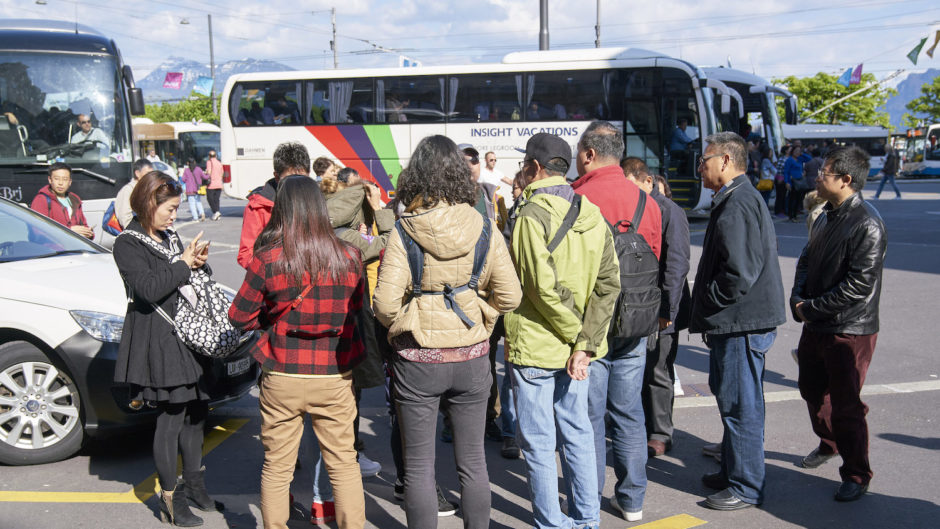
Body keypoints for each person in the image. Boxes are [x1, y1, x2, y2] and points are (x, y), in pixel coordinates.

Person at [372, 134, 522, 529]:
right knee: (473, 462)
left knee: (420, 467)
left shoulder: (405, 231)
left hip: (418, 360)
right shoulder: (485, 226)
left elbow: (385, 306)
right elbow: (511, 295)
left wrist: (412, 320)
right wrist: (480, 316)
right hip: (472, 356)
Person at [229, 175, 366, 529]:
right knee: (344, 463)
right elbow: (357, 310)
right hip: (333, 373)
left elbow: (239, 316)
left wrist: (272, 316)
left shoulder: (269, 257)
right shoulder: (350, 256)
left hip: (282, 371)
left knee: (277, 466)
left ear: (284, 211)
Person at [506, 132, 620, 529]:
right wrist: (585, 344)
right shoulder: (591, 211)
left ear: (534, 167)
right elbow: (609, 285)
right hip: (579, 352)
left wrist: (576, 338)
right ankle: (588, 520)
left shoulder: (529, 214)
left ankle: (553, 525)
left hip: (537, 346)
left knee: (538, 444)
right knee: (578, 434)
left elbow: (539, 288)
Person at [113, 170, 219, 527]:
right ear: (148, 203)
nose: (175, 216)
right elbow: (147, 288)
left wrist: (197, 263)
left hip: (186, 335)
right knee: (171, 418)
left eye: (176, 209)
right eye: (170, 209)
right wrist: (183, 264)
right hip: (158, 338)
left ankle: (195, 485)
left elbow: (182, 276)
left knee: (196, 413)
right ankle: (171, 497)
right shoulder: (127, 243)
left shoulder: (169, 236)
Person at [569, 124, 661, 522]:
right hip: (637, 321)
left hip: (592, 324)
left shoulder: (577, 198)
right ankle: (632, 499)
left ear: (589, 154)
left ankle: (588, 500)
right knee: (629, 412)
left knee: (588, 418)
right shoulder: (647, 201)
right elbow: (656, 256)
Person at [691, 132, 786, 511]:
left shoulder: (738, 202)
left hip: (740, 324)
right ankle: (734, 470)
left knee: (741, 406)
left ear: (725, 161)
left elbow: (738, 275)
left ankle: (745, 486)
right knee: (734, 401)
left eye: (705, 159)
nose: (700, 167)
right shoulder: (737, 198)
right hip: (740, 322)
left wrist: (708, 303)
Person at [791, 146, 887, 503]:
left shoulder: (867, 223)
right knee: (811, 389)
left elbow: (858, 286)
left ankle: (857, 473)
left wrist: (810, 307)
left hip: (850, 328)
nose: (817, 176)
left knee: (847, 403)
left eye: (825, 173)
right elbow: (806, 257)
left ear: (846, 180)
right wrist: (798, 297)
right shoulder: (825, 215)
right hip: (815, 321)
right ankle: (830, 442)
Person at [622, 157, 692, 462]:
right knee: (641, 370)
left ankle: (661, 433)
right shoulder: (635, 206)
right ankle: (643, 427)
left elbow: (676, 265)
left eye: (630, 183)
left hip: (662, 309)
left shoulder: (668, 210)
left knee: (659, 372)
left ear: (646, 181)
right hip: (638, 307)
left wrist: (667, 311)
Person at [237, 142, 311, 268]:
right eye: (289, 179)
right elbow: (247, 255)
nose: (296, 185)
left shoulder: (316, 199)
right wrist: (272, 274)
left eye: (301, 178)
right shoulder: (258, 207)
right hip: (274, 278)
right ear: (276, 176)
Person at [30, 162, 95, 239]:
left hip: (74, 247)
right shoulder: (41, 200)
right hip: (52, 248)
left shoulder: (75, 200)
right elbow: (37, 230)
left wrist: (89, 233)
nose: (60, 183)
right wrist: (69, 230)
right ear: (50, 180)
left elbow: (83, 225)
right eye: (56, 179)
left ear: (70, 182)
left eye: (65, 179)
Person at [114, 158, 154, 229]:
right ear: (137, 173)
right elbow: (124, 218)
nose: (150, 177)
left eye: (152, 174)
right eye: (148, 173)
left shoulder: (148, 189)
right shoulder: (128, 190)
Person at [204, 150, 224, 220]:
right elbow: (222, 173)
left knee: (210, 199)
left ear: (209, 156)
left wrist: (205, 172)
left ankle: (215, 212)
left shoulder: (209, 162)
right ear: (216, 156)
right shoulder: (219, 163)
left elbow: (209, 172)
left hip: (211, 184)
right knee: (216, 199)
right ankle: (217, 212)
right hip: (219, 184)